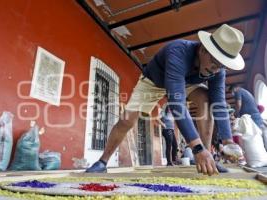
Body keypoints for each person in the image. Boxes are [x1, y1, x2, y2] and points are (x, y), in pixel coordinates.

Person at [86, 24, 244, 176]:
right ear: (203, 50)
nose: (215, 70)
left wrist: (228, 140)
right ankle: (102, 162)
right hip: (153, 81)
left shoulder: (218, 71)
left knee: (206, 98)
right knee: (127, 120)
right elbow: (177, 103)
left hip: (187, 82)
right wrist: (196, 148)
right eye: (214, 63)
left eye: (221, 66)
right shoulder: (178, 51)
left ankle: (207, 155)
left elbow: (219, 103)